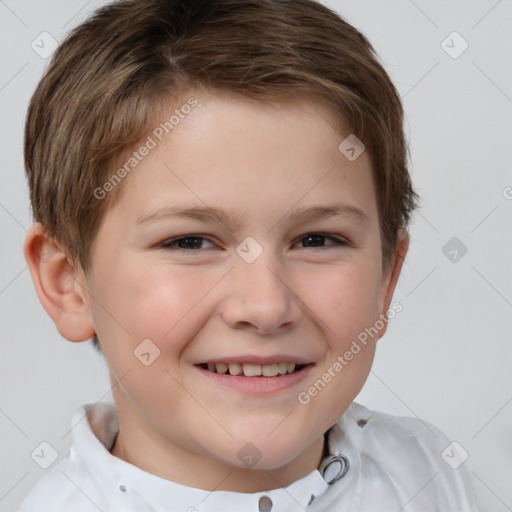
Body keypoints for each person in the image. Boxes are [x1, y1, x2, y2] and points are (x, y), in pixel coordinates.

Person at [18, 0, 480, 510]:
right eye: (189, 242)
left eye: (317, 240)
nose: (265, 307)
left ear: (386, 280)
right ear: (69, 284)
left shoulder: (431, 472)